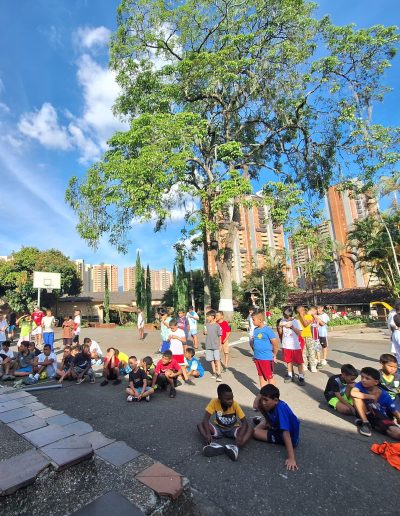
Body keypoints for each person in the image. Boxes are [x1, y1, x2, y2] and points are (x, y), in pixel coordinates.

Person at [197, 383, 253, 461]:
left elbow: (244, 422)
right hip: (218, 428)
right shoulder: (214, 402)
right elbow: (205, 419)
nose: (231, 401)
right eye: (227, 399)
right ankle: (212, 445)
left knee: (250, 429)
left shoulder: (235, 404)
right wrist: (207, 433)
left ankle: (235, 447)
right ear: (219, 398)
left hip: (233, 429)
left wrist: (240, 436)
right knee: (200, 425)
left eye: (232, 398)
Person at [253, 384, 300, 471]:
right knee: (261, 406)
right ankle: (265, 422)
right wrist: (259, 398)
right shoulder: (272, 403)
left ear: (275, 400)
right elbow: (255, 406)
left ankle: (264, 422)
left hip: (289, 438)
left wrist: (291, 458)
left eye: (266, 400)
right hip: (276, 427)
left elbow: (286, 434)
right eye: (262, 399)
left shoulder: (280, 409)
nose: (263, 402)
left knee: (255, 432)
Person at [351, 366, 400, 439]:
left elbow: (394, 410)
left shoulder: (384, 395)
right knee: (356, 397)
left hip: (379, 416)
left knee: (396, 433)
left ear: (376, 382)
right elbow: (353, 393)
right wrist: (371, 396)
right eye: (362, 377)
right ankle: (365, 423)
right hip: (365, 413)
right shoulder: (360, 385)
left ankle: (373, 424)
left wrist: (398, 418)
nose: (363, 380)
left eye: (367, 378)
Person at [251, 310, 279, 390]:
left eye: (254, 320)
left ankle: (273, 394)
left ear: (260, 320)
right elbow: (254, 343)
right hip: (258, 358)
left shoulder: (267, 330)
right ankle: (263, 393)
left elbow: (275, 344)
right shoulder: (255, 330)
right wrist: (255, 355)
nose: (252, 321)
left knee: (269, 377)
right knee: (261, 376)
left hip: (266, 358)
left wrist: (274, 354)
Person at [279, 308, 305, 385]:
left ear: (291, 315)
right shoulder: (283, 321)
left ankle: (301, 377)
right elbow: (280, 333)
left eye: (288, 317)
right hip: (286, 345)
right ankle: (290, 375)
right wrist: (280, 326)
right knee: (288, 361)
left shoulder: (296, 321)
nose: (287, 318)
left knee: (299, 362)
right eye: (285, 317)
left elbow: (299, 333)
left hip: (295, 346)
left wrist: (292, 327)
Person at [296, 306, 318, 373]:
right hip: (301, 337)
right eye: (298, 312)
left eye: (300, 311)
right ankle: (304, 364)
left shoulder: (309, 316)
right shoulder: (297, 317)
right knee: (303, 352)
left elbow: (305, 324)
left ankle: (313, 366)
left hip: (309, 336)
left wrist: (301, 316)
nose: (299, 313)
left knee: (311, 351)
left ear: (303, 310)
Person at [204, 310, 222, 382]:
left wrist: (220, 345)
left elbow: (220, 336)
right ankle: (214, 372)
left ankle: (219, 374)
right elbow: (205, 332)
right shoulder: (207, 325)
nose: (207, 318)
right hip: (208, 345)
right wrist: (205, 332)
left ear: (212, 317)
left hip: (216, 345)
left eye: (208, 316)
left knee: (217, 359)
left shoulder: (217, 325)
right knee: (211, 360)